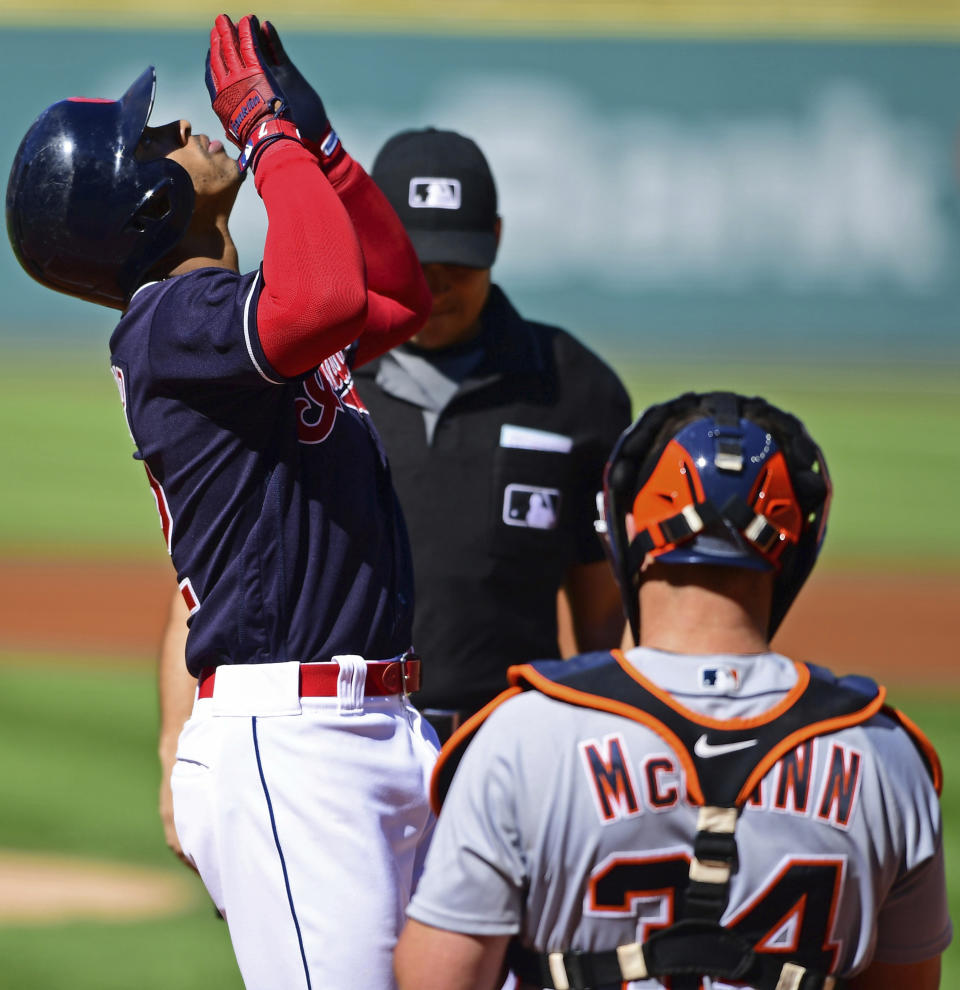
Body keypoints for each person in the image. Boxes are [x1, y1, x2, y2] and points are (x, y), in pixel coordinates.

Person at [8, 15, 439, 989]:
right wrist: (268, 135)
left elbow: (398, 300)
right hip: (295, 748)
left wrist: (319, 150)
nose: (183, 130)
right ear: (141, 201)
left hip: (371, 729)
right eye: (154, 139)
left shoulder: (230, 324)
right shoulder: (171, 323)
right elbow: (325, 300)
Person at [394, 391, 950, 990]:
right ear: (795, 546)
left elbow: (440, 980)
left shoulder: (523, 736)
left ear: (627, 529)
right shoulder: (888, 755)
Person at [353, 127, 633, 737]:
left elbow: (606, 608)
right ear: (375, 240)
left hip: (518, 741)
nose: (436, 282)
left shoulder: (576, 387)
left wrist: (611, 732)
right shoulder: (314, 373)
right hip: (345, 743)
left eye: (458, 259)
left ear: (497, 240)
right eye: (417, 259)